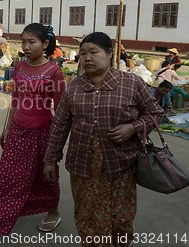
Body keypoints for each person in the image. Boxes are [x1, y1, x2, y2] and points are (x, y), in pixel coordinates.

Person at [43, 32, 164, 247]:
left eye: (93, 52)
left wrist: (133, 128)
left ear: (109, 54)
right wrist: (50, 159)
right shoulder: (73, 89)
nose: (87, 58)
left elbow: (155, 114)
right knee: (87, 215)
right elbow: (59, 126)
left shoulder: (131, 84)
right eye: (82, 54)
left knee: (121, 217)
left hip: (121, 165)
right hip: (83, 167)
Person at [0, 23, 65, 240]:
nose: (27, 46)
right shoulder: (19, 66)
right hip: (18, 133)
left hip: (42, 134)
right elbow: (15, 100)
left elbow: (60, 111)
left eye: (32, 42)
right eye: (23, 42)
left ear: (45, 44)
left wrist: (56, 145)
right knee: (7, 178)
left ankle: (53, 210)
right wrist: (7, 128)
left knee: (45, 176)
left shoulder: (54, 72)